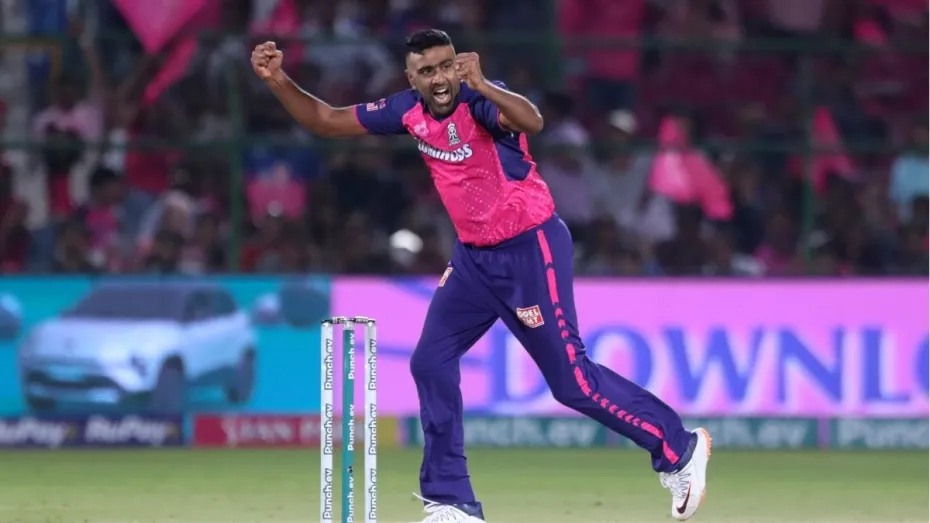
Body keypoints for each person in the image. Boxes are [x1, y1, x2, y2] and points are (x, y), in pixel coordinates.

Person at [251, 29, 711, 523]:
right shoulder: (407, 110)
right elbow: (325, 120)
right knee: (430, 362)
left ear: (459, 64)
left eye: (445, 66)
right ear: (411, 78)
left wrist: (485, 84)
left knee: (572, 382)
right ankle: (452, 501)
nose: (439, 79)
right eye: (426, 71)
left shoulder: (481, 101)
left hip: (529, 250)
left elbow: (532, 120)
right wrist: (277, 80)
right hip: (474, 260)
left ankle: (679, 449)